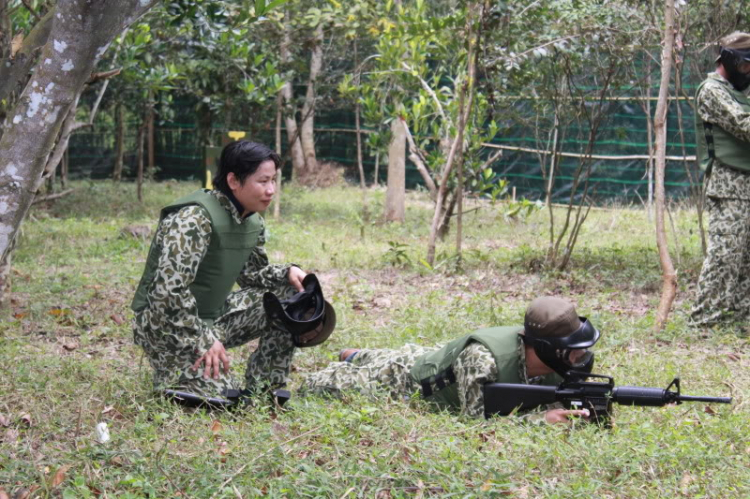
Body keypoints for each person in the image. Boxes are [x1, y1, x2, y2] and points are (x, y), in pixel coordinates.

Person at [131, 140, 329, 402]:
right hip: (165, 324)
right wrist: (203, 340)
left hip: (214, 319)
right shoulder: (193, 219)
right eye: (263, 181)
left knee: (287, 294)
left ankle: (266, 386)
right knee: (224, 398)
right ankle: (179, 377)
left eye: (274, 181)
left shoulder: (252, 220)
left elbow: (252, 276)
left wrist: (288, 272)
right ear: (234, 180)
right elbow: (167, 293)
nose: (271, 190)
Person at [301, 296, 598, 424]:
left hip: (427, 356)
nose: (581, 358)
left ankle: (356, 354)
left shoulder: (554, 363)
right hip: (407, 381)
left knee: (388, 355)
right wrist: (539, 421)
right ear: (546, 348)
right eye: (574, 351)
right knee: (314, 385)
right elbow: (475, 424)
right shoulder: (483, 361)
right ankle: (350, 362)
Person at [690, 32, 750, 328]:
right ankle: (704, 322)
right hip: (728, 186)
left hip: (746, 184)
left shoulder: (737, 92)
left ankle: (741, 320)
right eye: (746, 65)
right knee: (724, 257)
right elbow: (743, 125)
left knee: (746, 261)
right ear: (731, 60)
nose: (748, 71)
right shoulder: (712, 91)